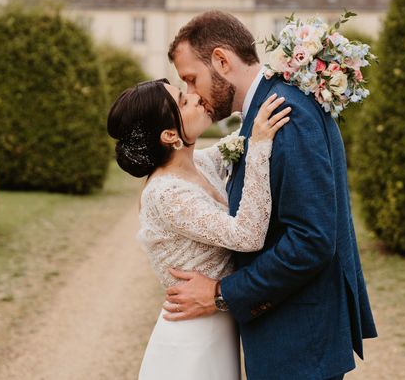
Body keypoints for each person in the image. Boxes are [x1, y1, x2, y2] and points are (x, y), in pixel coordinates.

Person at [163, 10, 377, 380]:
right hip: (289, 336)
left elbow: (311, 240)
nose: (193, 94)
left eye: (191, 79)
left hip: (298, 342)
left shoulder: (285, 112)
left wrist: (221, 293)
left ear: (221, 60)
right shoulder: (266, 111)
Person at [107, 77, 290, 380]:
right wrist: (259, 147)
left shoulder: (200, 163)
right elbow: (247, 235)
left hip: (218, 330)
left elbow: (236, 144)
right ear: (169, 135)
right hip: (191, 343)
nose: (194, 97)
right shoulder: (166, 194)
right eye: (182, 100)